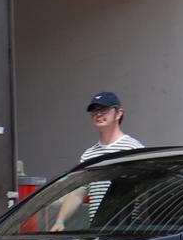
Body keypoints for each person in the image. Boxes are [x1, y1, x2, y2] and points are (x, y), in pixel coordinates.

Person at [49, 92, 144, 231]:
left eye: (104, 109)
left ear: (119, 113)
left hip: (127, 232)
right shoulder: (89, 155)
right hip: (97, 232)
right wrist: (60, 221)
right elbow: (77, 193)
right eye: (94, 111)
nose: (98, 114)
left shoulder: (133, 149)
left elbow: (145, 192)